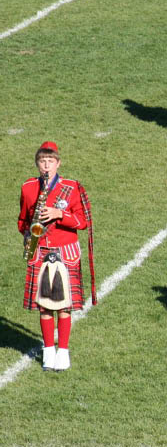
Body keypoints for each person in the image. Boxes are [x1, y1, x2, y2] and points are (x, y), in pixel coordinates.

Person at [19, 141, 95, 372]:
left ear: (58, 163)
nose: (46, 165)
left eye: (50, 161)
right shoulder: (28, 187)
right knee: (44, 306)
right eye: (42, 161)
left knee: (64, 305)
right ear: (37, 163)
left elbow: (84, 222)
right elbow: (22, 219)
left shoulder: (72, 187)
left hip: (65, 251)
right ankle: (48, 351)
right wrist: (28, 236)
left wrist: (59, 214)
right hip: (40, 250)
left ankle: (63, 351)